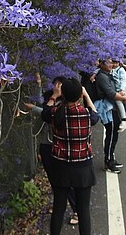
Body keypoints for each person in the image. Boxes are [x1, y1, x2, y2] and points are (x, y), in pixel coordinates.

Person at [41, 77, 98, 235]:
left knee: (59, 208)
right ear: (80, 94)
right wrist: (86, 96)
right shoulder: (87, 115)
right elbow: (95, 114)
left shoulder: (56, 114)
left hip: (60, 166)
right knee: (83, 210)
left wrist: (54, 96)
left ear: (63, 94)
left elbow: (45, 112)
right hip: (83, 167)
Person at [24, 78, 79, 225]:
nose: (56, 87)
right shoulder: (49, 98)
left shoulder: (65, 104)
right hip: (46, 144)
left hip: (58, 145)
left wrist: (51, 99)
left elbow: (47, 114)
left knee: (65, 181)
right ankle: (59, 207)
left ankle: (77, 210)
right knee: (54, 180)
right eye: (55, 84)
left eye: (60, 85)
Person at [92, 59, 126, 173]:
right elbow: (110, 93)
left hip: (112, 108)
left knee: (114, 133)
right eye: (107, 63)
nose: (110, 65)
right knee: (111, 134)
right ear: (102, 64)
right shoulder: (102, 76)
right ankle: (108, 162)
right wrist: (123, 98)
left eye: (111, 63)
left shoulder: (106, 74)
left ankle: (111, 158)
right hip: (107, 109)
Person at [111, 59, 126, 132]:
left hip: (124, 89)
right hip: (117, 89)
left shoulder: (121, 70)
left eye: (116, 63)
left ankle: (124, 119)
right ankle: (121, 118)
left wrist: (122, 90)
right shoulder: (112, 70)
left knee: (118, 101)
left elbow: (124, 80)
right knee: (117, 104)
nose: (115, 65)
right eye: (113, 63)